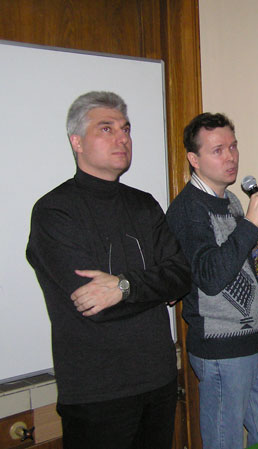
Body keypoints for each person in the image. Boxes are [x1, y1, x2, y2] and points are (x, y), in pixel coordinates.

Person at [26, 91, 191, 449]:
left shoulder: (144, 204)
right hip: (96, 394)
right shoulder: (54, 212)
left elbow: (180, 275)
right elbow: (93, 304)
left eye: (125, 129)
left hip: (159, 382)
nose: (122, 138)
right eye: (106, 128)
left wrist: (124, 287)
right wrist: (154, 286)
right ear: (77, 142)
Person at [166, 113, 258, 449]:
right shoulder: (188, 210)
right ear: (194, 159)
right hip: (221, 350)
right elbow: (211, 277)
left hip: (254, 341)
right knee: (225, 443)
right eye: (218, 150)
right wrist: (251, 224)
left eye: (233, 146)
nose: (231, 157)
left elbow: (240, 260)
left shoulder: (232, 200)